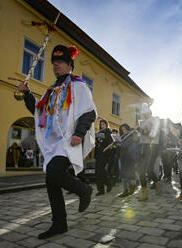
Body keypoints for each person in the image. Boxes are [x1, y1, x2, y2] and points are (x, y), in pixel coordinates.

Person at [18, 44, 96, 239]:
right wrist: (27, 94)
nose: (56, 65)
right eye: (54, 62)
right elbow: (38, 112)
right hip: (53, 142)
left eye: (60, 62)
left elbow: (89, 112)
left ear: (70, 65)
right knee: (51, 181)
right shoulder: (51, 91)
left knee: (54, 174)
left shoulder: (79, 86)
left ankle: (83, 189)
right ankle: (59, 223)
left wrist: (79, 132)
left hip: (68, 140)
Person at [137, 103, 162, 201]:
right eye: (143, 113)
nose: (145, 114)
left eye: (146, 112)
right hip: (143, 146)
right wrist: (138, 131)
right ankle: (144, 193)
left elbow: (151, 134)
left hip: (152, 146)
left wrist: (142, 131)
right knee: (141, 171)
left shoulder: (154, 120)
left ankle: (157, 183)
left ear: (149, 112)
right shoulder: (142, 122)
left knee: (149, 170)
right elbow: (141, 136)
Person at [118, 124, 139, 197]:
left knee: (130, 174)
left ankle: (132, 187)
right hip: (123, 157)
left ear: (128, 129)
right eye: (122, 130)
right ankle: (125, 190)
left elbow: (130, 145)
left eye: (125, 129)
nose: (124, 131)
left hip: (130, 158)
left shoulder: (132, 136)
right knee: (123, 175)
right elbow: (121, 146)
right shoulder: (122, 137)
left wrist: (120, 144)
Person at [95, 119, 113, 195]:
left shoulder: (109, 132)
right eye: (101, 124)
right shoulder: (99, 132)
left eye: (103, 124)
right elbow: (97, 143)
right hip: (99, 153)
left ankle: (108, 183)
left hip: (105, 153)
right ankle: (101, 190)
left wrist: (107, 147)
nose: (102, 126)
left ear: (106, 124)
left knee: (101, 171)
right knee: (97, 172)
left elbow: (111, 143)